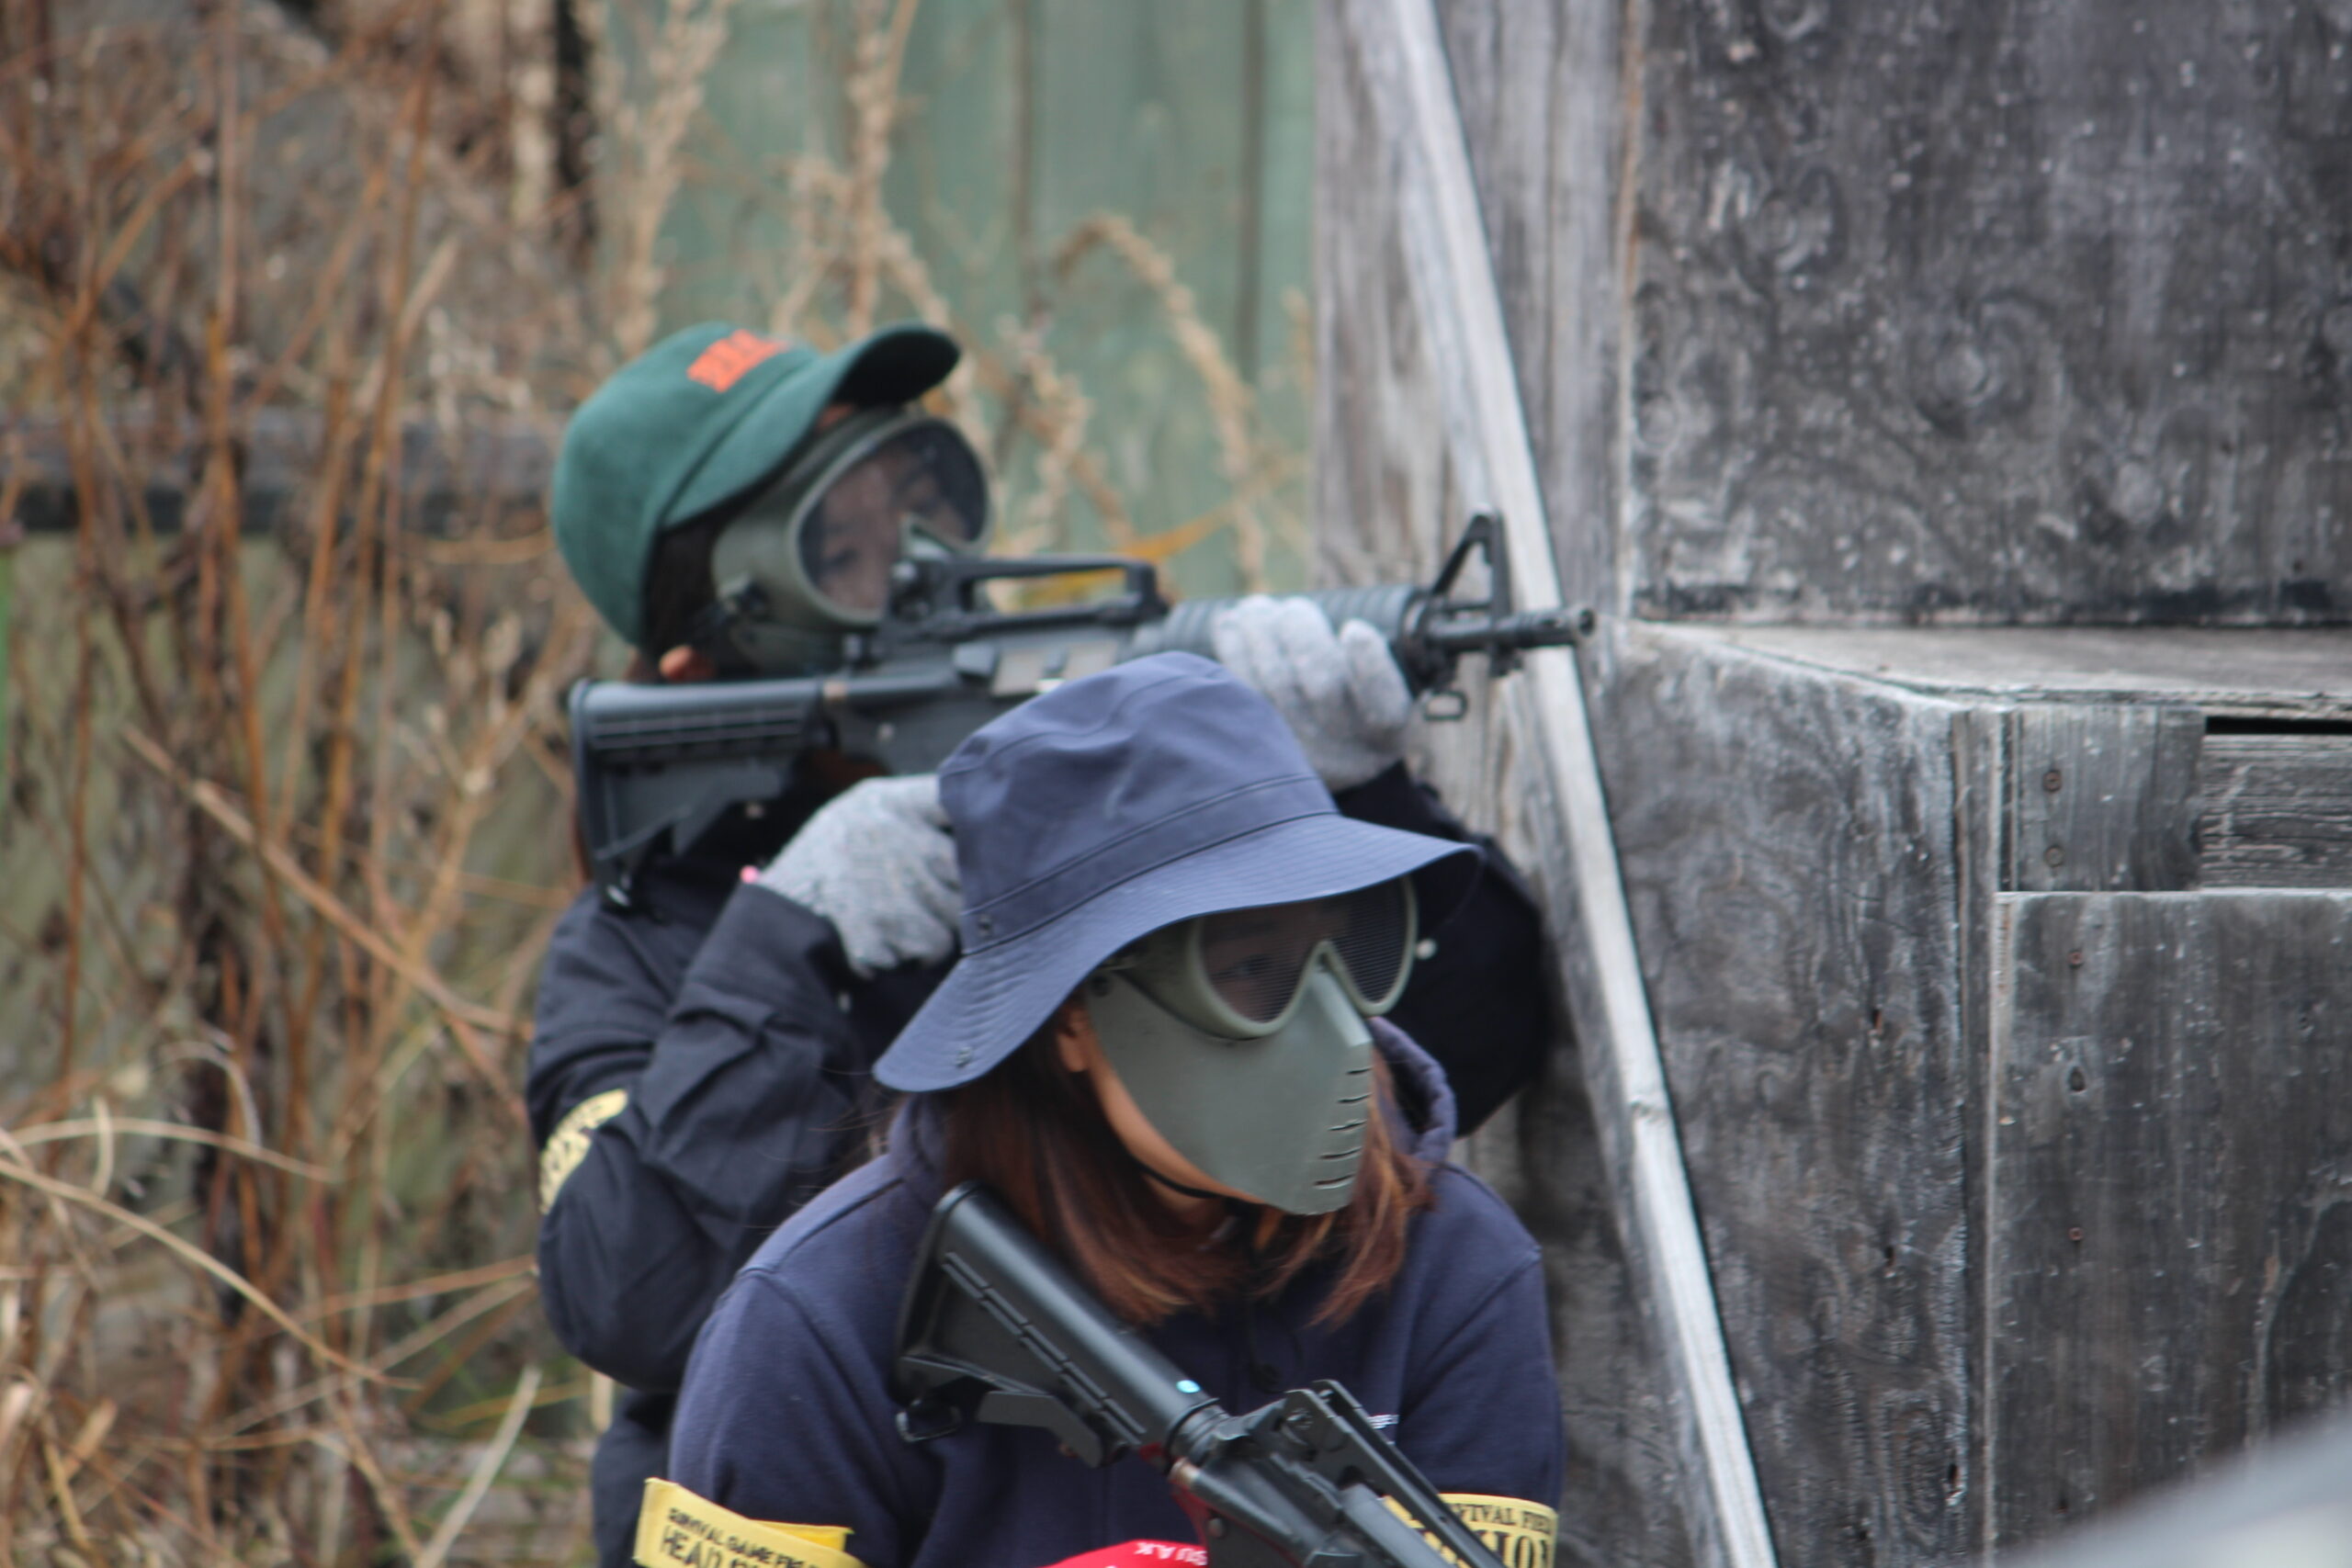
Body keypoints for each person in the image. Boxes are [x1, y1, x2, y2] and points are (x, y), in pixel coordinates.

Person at [530, 321, 1556, 1567]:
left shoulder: (1443, 1263)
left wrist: (1322, 792)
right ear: (705, 648)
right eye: (840, 551)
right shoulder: (637, 948)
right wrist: (788, 934)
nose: (914, 567)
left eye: (918, 506)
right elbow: (632, 1295)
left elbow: (1449, 1041)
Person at [662, 654, 1566, 1568]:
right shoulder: (820, 1326)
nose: (1333, 1030)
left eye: (1340, 956)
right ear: (1068, 1019)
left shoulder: (1454, 1266)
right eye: (1249, 969)